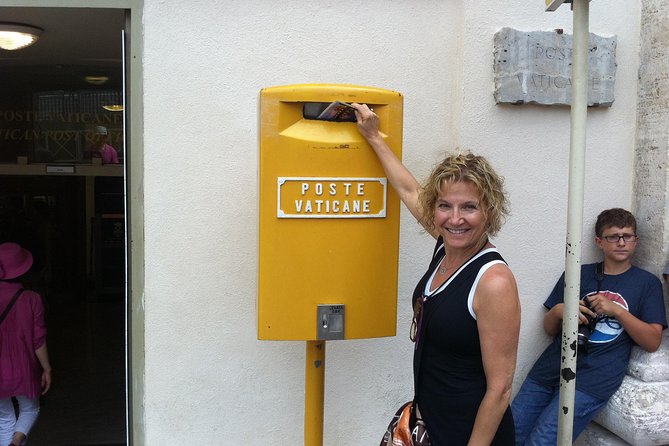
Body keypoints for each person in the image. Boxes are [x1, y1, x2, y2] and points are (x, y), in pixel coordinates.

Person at [352, 103, 520, 444]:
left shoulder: (493, 281)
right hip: (430, 425)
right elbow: (409, 190)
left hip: (467, 435)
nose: (454, 219)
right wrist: (374, 137)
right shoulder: (447, 246)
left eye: (469, 207)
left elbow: (500, 389)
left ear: (489, 211)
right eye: (445, 205)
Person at [512, 208, 667, 445]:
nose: (622, 242)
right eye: (613, 236)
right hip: (550, 368)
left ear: (636, 240)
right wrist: (560, 311)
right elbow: (549, 329)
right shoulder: (578, 273)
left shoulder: (647, 283)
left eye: (628, 236)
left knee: (543, 440)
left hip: (594, 379)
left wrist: (616, 310)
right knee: (512, 432)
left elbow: (653, 341)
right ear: (599, 242)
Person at [0, 242, 52, 446]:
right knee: (30, 408)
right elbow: (37, 339)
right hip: (23, 367)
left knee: (4, 419)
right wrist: (47, 368)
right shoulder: (32, 299)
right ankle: (16, 442)